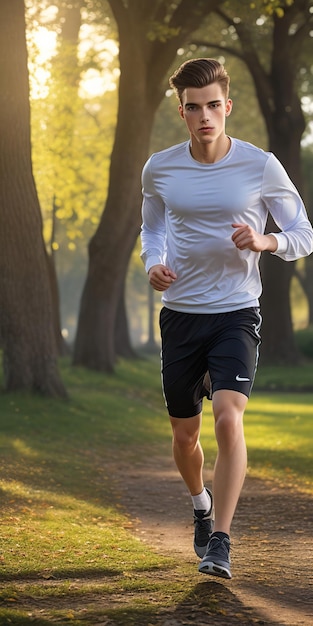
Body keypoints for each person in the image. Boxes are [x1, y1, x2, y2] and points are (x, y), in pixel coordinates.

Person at [140, 58, 313, 580]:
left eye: (213, 106)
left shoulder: (261, 165)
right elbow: (151, 231)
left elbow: (304, 232)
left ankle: (221, 540)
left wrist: (266, 240)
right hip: (182, 315)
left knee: (228, 416)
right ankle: (200, 503)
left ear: (227, 107)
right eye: (194, 108)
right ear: (183, 113)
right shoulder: (160, 168)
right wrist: (153, 265)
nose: (205, 116)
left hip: (237, 311)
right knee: (184, 435)